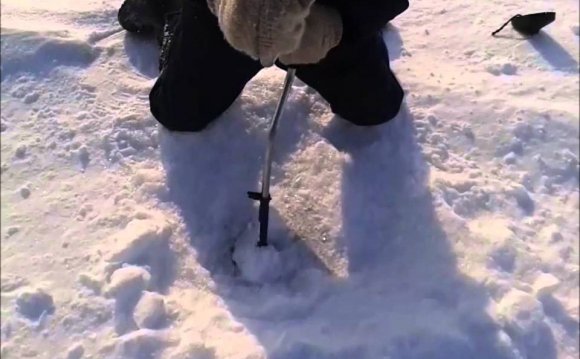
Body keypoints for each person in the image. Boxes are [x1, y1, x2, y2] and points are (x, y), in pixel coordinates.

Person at [118, 0, 409, 132]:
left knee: (376, 108)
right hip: (232, 11)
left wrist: (343, 25)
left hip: (326, 12)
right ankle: (173, 7)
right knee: (179, 111)